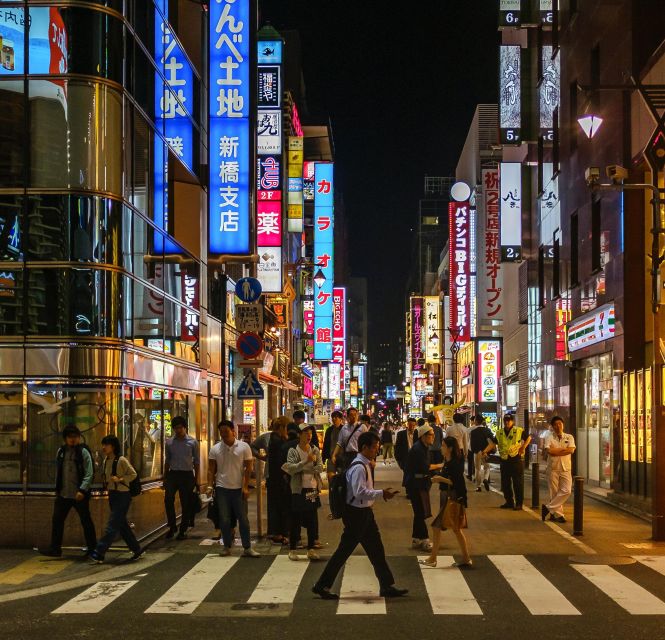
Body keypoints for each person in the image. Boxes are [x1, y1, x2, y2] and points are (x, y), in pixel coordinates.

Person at [312, 431, 408, 600]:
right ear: (364, 448)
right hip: (357, 514)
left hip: (364, 513)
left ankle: (386, 585)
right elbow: (359, 492)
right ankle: (321, 585)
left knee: (376, 550)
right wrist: (381, 493)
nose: (376, 451)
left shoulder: (363, 464)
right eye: (374, 448)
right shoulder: (358, 467)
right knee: (344, 551)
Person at [40, 425, 97, 558]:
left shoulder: (83, 452)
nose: (73, 440)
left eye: (75, 437)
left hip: (79, 495)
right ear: (65, 438)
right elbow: (58, 472)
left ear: (79, 437)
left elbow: (89, 473)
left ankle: (93, 548)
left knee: (86, 521)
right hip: (64, 494)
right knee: (57, 520)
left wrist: (82, 490)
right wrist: (57, 489)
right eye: (70, 437)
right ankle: (55, 549)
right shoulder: (61, 451)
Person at [207, 420, 260, 557]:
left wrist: (245, 487)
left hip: (238, 489)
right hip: (222, 488)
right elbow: (211, 469)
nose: (223, 433)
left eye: (226, 430)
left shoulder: (243, 447)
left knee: (243, 519)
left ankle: (247, 547)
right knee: (224, 519)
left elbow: (249, 468)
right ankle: (226, 546)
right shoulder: (215, 449)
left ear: (233, 431)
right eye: (221, 431)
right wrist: (209, 485)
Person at [419, 436, 471, 568]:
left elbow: (456, 482)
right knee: (454, 529)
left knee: (444, 527)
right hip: (447, 497)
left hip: (452, 498)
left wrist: (440, 479)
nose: (441, 448)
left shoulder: (454, 463)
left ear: (450, 448)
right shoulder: (448, 461)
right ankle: (465, 559)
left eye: (443, 445)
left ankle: (433, 558)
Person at [89, 435, 143, 563]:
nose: (103, 447)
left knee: (112, 524)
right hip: (113, 494)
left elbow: (133, 474)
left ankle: (99, 552)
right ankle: (136, 549)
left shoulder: (121, 460)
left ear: (113, 446)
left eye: (106, 445)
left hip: (123, 495)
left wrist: (120, 479)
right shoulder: (106, 460)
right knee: (121, 525)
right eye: (103, 444)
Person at [282, 423, 323, 561]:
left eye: (310, 433)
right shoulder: (293, 451)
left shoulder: (315, 449)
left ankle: (310, 549)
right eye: (306, 433)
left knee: (312, 520)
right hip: (298, 490)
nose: (309, 436)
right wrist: (306, 461)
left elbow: (319, 468)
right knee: (296, 519)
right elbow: (291, 469)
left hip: (312, 488)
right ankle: (293, 549)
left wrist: (303, 468)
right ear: (300, 435)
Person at [404, 424, 443, 551]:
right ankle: (425, 539)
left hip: (420, 483)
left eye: (433, 434)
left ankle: (416, 539)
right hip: (416, 484)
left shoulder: (424, 448)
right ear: (423, 436)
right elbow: (425, 467)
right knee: (420, 512)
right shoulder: (418, 449)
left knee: (419, 512)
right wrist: (439, 465)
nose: (433, 437)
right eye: (431, 435)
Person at [164, 416, 199, 540]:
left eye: (180, 428)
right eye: (176, 428)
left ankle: (183, 530)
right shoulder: (169, 442)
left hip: (187, 475)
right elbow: (167, 460)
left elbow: (197, 461)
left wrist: (197, 479)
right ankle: (172, 526)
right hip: (173, 474)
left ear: (185, 428)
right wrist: (165, 476)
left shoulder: (193, 442)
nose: (178, 430)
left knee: (186, 503)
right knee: (168, 499)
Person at [541, 416, 576, 523]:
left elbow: (571, 450)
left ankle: (548, 508)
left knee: (567, 491)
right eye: (555, 424)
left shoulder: (569, 437)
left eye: (560, 423)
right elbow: (549, 451)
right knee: (554, 492)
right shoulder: (549, 437)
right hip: (553, 468)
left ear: (563, 424)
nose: (558, 426)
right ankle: (558, 515)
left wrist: (557, 451)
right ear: (552, 426)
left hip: (566, 468)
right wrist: (562, 450)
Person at [496, 414, 531, 510]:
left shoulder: (518, 430)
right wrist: (485, 451)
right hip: (504, 461)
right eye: (505, 420)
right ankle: (509, 502)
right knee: (505, 483)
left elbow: (528, 438)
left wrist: (523, 447)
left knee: (517, 483)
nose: (507, 422)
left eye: (509, 420)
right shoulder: (499, 432)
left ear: (513, 421)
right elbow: (493, 443)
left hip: (516, 460)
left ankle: (519, 503)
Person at [265, 417, 290, 542]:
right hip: (277, 479)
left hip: (274, 478)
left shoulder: (275, 439)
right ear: (281, 427)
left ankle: (276, 531)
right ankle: (277, 532)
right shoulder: (277, 441)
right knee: (278, 506)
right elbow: (280, 461)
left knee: (275, 505)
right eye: (286, 428)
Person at [468, 415, 497, 492]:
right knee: (487, 467)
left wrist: (474, 451)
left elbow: (472, 444)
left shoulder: (473, 432)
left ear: (476, 421)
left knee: (477, 469)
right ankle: (485, 479)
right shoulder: (487, 430)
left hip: (477, 452)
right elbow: (492, 441)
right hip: (486, 452)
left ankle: (478, 486)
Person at [322, 411, 345, 483]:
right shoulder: (329, 430)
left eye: (336, 417)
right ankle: (332, 493)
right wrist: (323, 457)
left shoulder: (344, 430)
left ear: (340, 419)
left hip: (342, 458)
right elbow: (326, 444)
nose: (334, 419)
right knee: (331, 478)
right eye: (333, 417)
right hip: (330, 457)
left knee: (342, 478)